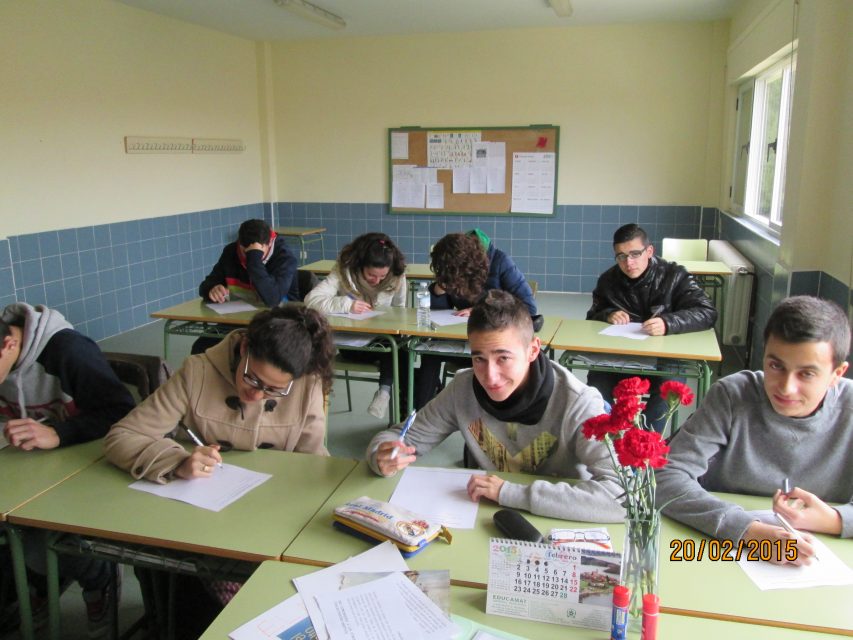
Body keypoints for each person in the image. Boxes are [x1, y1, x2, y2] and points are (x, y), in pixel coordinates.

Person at [368, 290, 623, 522]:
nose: (489, 377)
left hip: (560, 521)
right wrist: (380, 455)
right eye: (479, 358)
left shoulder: (577, 403)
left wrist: (509, 493)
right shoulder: (462, 389)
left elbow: (623, 497)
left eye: (503, 358)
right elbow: (397, 436)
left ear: (533, 350)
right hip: (488, 518)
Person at [656, 296, 852, 565]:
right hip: (723, 553)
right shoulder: (732, 395)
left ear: (837, 373)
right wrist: (751, 532)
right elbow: (665, 475)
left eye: (806, 374)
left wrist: (834, 520)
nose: (786, 387)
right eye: (775, 366)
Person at [0, 302, 135, 636]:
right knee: (20, 541)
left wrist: (58, 433)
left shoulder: (67, 351)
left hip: (88, 464)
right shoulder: (4, 359)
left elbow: (122, 413)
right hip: (31, 469)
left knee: (58, 539)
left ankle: (99, 580)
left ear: (8, 344)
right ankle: (37, 586)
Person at [105, 305, 334, 483]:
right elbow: (123, 436)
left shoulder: (307, 382)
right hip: (200, 499)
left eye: (274, 390)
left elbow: (313, 461)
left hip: (272, 501)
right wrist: (178, 462)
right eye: (252, 378)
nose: (256, 395)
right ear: (244, 347)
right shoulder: (197, 372)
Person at [585, 223, 718, 431]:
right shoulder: (608, 280)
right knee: (596, 381)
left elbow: (707, 312)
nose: (628, 263)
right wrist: (607, 314)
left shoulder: (674, 276)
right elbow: (592, 316)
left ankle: (642, 443)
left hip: (664, 359)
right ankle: (609, 438)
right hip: (620, 355)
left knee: (670, 387)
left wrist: (668, 323)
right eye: (621, 256)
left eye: (635, 254)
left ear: (649, 251)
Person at [415, 229, 542, 409]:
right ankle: (421, 415)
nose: (454, 279)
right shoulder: (450, 270)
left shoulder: (500, 262)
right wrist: (438, 290)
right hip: (461, 335)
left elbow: (528, 307)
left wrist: (480, 310)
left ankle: (478, 425)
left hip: (491, 342)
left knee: (485, 366)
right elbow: (439, 312)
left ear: (469, 266)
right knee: (429, 353)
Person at [304, 232, 407, 420]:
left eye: (382, 276)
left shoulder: (397, 275)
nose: (377, 281)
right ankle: (317, 389)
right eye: (371, 275)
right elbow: (311, 300)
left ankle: (384, 392)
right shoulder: (344, 271)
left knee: (399, 346)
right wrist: (346, 304)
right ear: (360, 266)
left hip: (381, 342)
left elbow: (401, 310)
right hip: (350, 342)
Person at [192, 219, 299, 354]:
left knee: (255, 353)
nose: (247, 256)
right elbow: (205, 286)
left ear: (269, 243)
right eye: (244, 251)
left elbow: (272, 298)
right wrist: (212, 289)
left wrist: (254, 260)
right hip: (238, 321)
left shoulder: (285, 258)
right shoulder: (231, 252)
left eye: (257, 252)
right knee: (200, 349)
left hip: (278, 323)